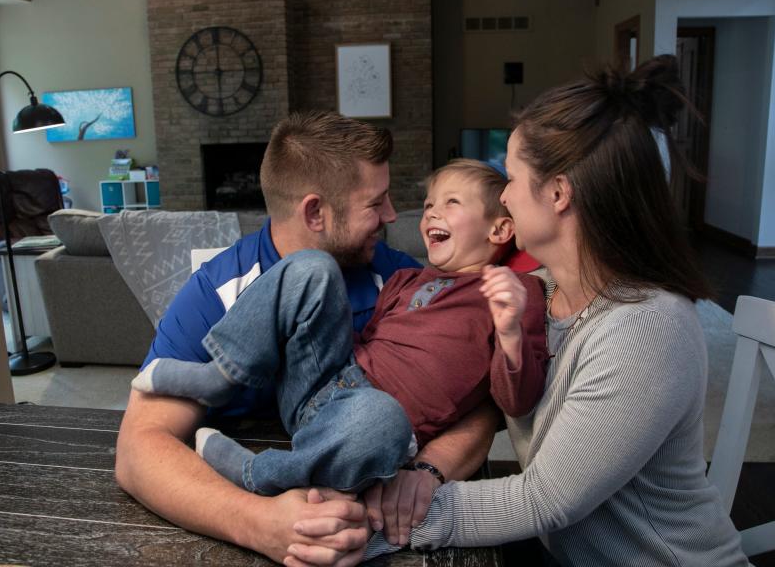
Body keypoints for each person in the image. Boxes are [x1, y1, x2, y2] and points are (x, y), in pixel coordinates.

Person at [288, 57, 751, 567]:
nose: (503, 195)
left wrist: (368, 515)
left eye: (509, 177)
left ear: (557, 194)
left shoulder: (648, 326)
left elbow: (542, 500)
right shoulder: (536, 291)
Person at [115, 112, 504, 565]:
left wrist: (430, 468)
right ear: (315, 212)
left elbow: (484, 393)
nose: (392, 216)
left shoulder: (396, 277)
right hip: (240, 512)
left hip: (363, 493)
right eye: (375, 203)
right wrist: (258, 522)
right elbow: (138, 449)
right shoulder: (216, 293)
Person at [130, 159, 548, 497]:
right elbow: (366, 341)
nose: (430, 213)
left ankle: (260, 472)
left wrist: (509, 330)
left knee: (386, 417)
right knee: (312, 266)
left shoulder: (517, 294)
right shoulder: (407, 278)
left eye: (451, 203)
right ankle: (219, 375)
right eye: (427, 205)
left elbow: (516, 401)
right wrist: (311, 330)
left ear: (499, 228)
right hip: (322, 386)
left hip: (366, 423)